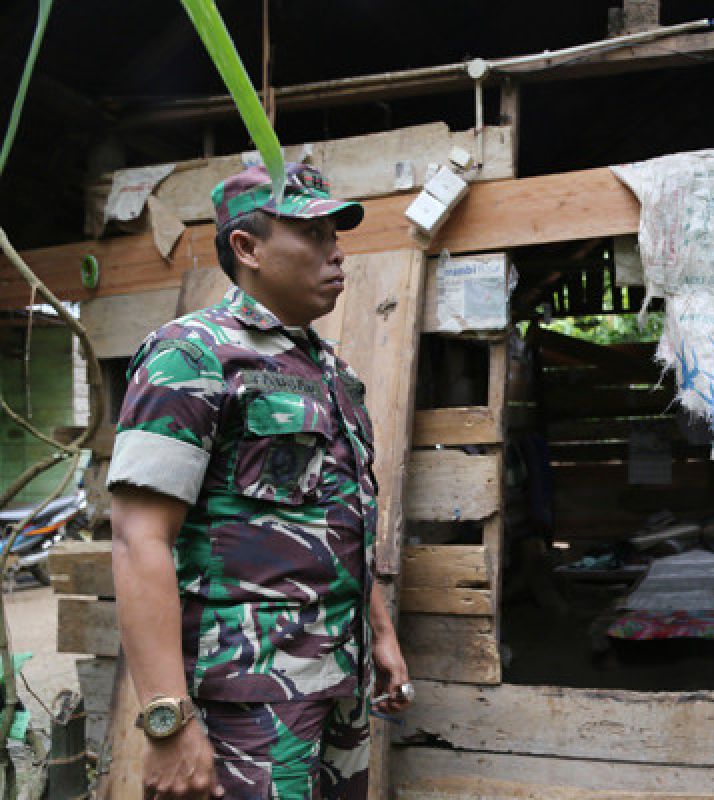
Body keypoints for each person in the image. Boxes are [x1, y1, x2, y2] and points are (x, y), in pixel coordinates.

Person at [108, 162, 411, 799]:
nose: (337, 249)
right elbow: (139, 537)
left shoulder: (331, 371)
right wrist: (168, 720)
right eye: (313, 233)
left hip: (339, 686)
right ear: (246, 247)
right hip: (248, 703)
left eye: (337, 231)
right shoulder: (189, 357)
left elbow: (338, 517)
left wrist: (379, 634)